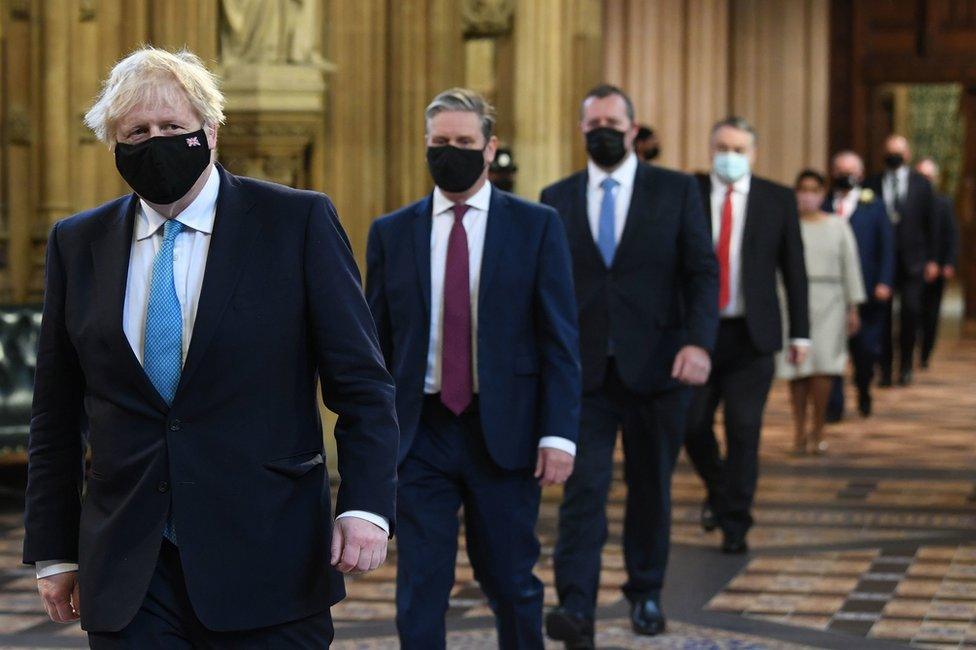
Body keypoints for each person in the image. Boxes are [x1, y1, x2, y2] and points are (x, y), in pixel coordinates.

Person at [23, 47, 398, 646]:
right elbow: (56, 412)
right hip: (130, 564)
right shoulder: (78, 243)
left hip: (268, 552)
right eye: (136, 131)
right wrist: (52, 549)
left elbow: (362, 384)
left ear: (211, 132)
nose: (155, 141)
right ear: (114, 146)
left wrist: (366, 506)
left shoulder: (295, 222)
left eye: (172, 127)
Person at [365, 88, 580, 650]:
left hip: (504, 431)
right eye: (440, 143)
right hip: (422, 432)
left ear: (490, 148)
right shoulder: (391, 232)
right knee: (420, 583)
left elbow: (559, 338)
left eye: (464, 142)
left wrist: (559, 433)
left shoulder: (536, 227)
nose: (450, 151)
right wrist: (373, 434)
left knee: (510, 581)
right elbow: (376, 344)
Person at [540, 85, 718, 648]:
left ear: (634, 129)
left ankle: (645, 593)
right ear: (581, 130)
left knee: (650, 489)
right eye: (593, 123)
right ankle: (576, 606)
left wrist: (699, 343)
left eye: (613, 122)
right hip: (583, 375)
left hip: (658, 368)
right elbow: (544, 288)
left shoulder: (677, 190)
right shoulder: (556, 196)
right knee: (582, 490)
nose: (604, 131)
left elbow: (701, 272)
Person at [683, 116, 809, 555]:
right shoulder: (689, 194)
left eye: (738, 149)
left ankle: (736, 521)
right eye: (722, 147)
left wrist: (802, 334)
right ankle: (720, 490)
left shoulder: (777, 199)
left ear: (753, 153)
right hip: (700, 333)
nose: (729, 156)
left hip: (753, 335)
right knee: (691, 423)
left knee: (744, 427)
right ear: (709, 148)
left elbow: (794, 270)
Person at [780, 170, 865, 454]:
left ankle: (819, 428)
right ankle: (798, 431)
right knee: (797, 367)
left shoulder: (838, 226)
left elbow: (850, 266)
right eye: (802, 189)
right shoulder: (786, 225)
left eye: (814, 189)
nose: (807, 195)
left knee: (825, 365)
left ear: (822, 192)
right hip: (792, 299)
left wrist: (853, 306)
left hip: (830, 300)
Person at [825, 151, 895, 420]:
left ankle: (864, 388)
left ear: (862, 175)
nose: (846, 176)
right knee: (833, 350)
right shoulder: (824, 205)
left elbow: (887, 247)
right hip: (831, 293)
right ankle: (834, 404)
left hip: (868, 291)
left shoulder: (873, 206)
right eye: (841, 170)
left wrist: (885, 281)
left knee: (864, 351)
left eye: (851, 171)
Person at [865, 135, 939, 386]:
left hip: (914, 260)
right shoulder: (873, 183)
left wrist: (933, 259)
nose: (893, 156)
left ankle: (906, 363)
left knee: (910, 312)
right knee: (882, 317)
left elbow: (932, 224)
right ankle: (884, 368)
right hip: (882, 262)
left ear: (907, 155)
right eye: (889, 151)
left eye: (898, 152)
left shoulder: (921, 184)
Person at [915, 157, 959, 368]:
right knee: (912, 310)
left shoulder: (943, 203)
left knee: (931, 312)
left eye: (928, 177)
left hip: (938, 267)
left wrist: (948, 262)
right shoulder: (909, 202)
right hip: (913, 265)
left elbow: (951, 235)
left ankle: (926, 351)